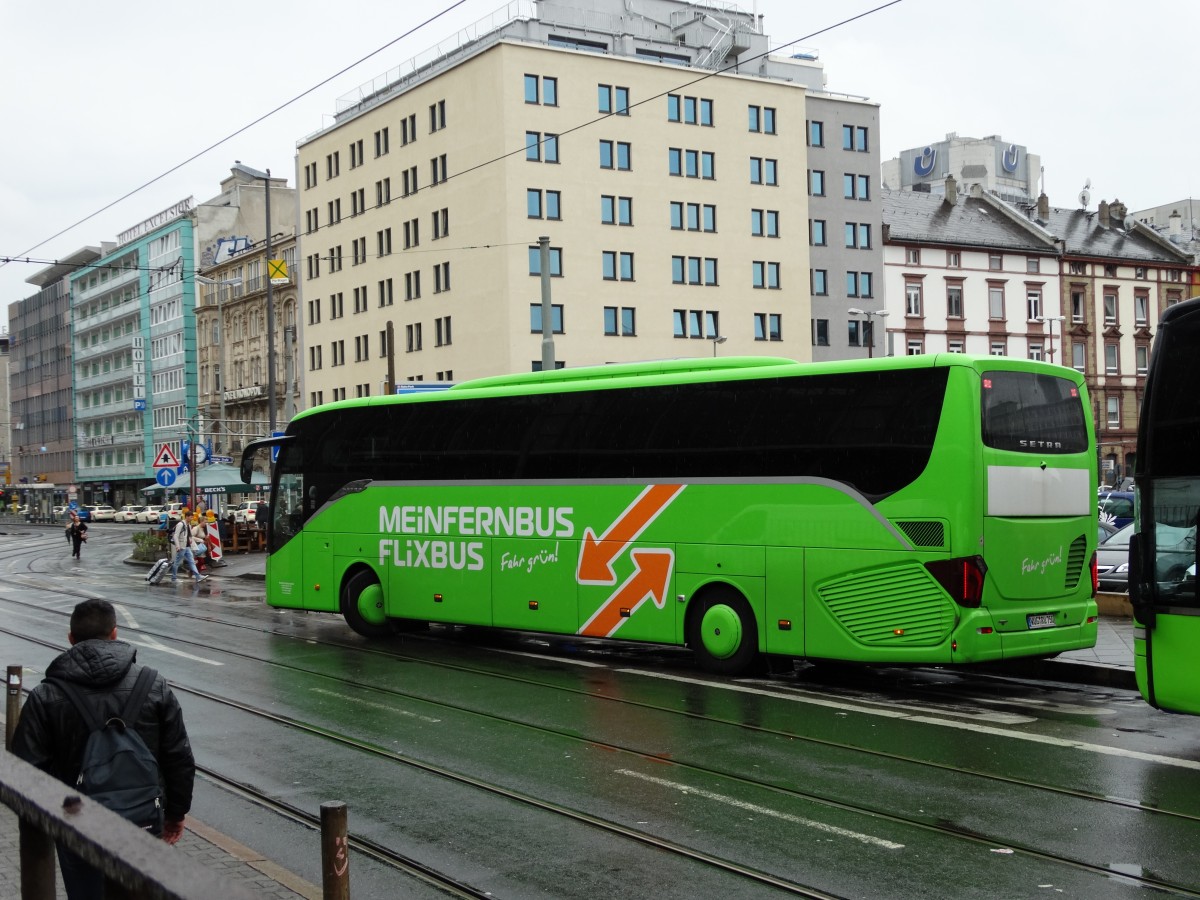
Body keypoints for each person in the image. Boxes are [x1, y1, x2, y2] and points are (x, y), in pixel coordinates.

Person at [11, 598, 195, 899]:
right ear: (115, 633)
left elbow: (28, 770)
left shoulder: (47, 694)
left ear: (71, 639)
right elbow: (178, 756)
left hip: (78, 821)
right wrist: (176, 813)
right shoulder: (153, 684)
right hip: (143, 816)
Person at [169, 515, 206, 583]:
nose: (192, 518)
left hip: (187, 547)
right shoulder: (181, 524)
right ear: (186, 517)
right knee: (177, 562)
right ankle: (174, 578)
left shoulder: (188, 525)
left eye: (192, 517)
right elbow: (175, 536)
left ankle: (198, 577)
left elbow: (189, 536)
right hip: (182, 547)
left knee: (192, 562)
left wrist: (191, 541)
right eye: (191, 517)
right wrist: (177, 546)